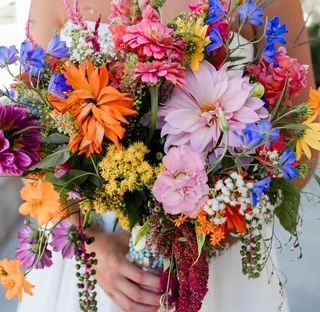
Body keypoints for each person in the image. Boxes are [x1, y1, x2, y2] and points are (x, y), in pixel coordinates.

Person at [18, 1, 316, 312]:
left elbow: (304, 133)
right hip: (98, 268)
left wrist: (213, 233)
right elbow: (29, 142)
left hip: (220, 264)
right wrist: (89, 244)